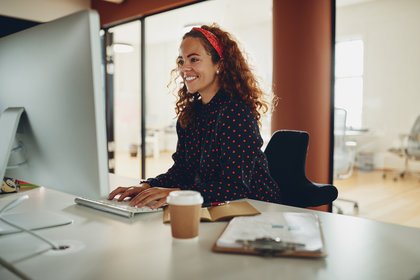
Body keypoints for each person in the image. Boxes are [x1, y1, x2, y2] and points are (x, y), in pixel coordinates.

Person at [108, 24, 281, 208]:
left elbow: (235, 187)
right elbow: (182, 171)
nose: (184, 69)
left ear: (219, 65)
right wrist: (147, 186)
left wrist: (176, 194)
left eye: (194, 59)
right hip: (216, 207)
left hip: (258, 209)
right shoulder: (190, 115)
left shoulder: (236, 113)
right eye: (181, 61)